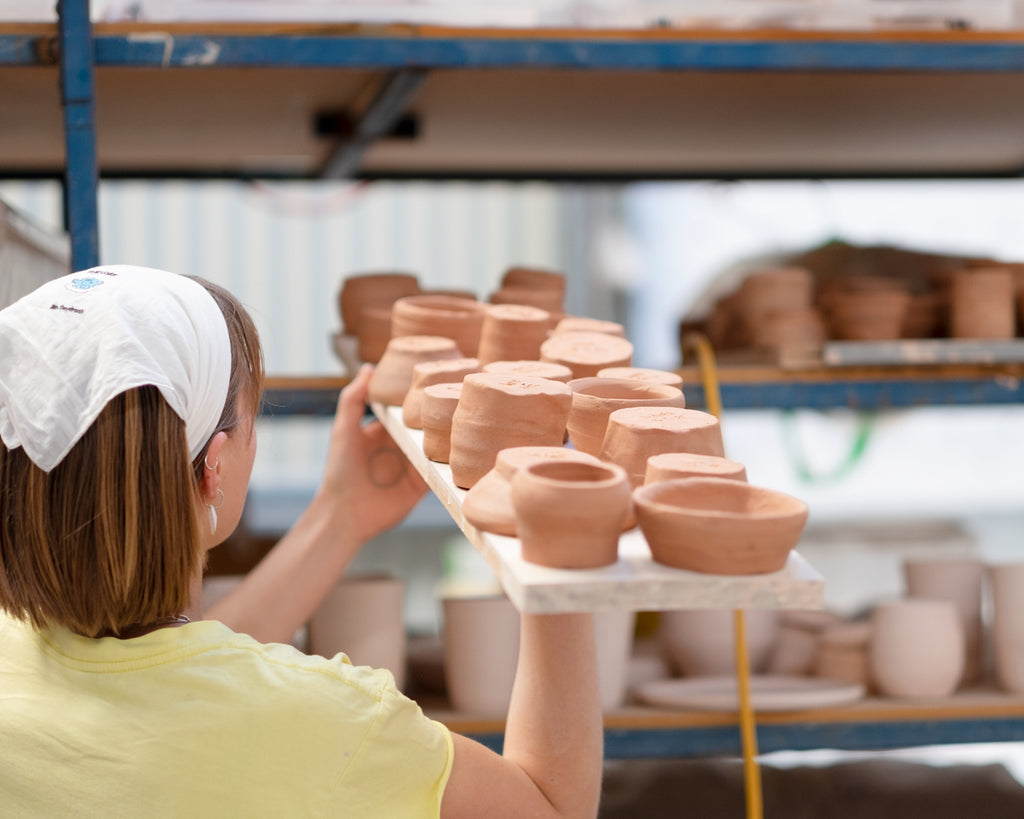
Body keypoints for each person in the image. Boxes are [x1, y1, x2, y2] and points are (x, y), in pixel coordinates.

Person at [0, 265, 603, 818]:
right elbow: (549, 806)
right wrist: (557, 551)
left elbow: (178, 672)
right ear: (214, 466)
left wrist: (339, 520)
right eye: (251, 415)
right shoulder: (335, 727)